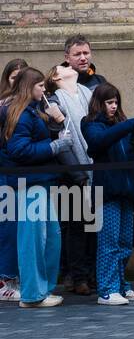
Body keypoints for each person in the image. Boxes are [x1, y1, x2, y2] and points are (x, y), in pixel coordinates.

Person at [81, 83, 134, 306]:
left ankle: (121, 285)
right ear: (100, 103)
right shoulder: (90, 124)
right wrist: (129, 125)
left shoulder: (123, 126)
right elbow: (99, 142)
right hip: (107, 193)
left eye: (116, 102)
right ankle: (107, 290)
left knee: (125, 242)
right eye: (109, 102)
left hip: (128, 191)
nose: (114, 106)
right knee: (109, 242)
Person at [0, 68, 65, 307]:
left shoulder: (30, 112)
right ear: (29, 87)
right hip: (29, 183)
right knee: (33, 240)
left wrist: (56, 124)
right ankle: (32, 294)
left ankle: (41, 290)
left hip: (39, 181)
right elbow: (19, 150)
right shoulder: (21, 115)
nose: (44, 89)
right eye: (40, 86)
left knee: (50, 237)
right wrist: (54, 147)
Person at [47, 63, 95, 295]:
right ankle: (79, 277)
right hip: (72, 171)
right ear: (56, 77)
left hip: (96, 164)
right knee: (77, 227)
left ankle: (93, 274)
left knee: (95, 225)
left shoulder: (88, 92)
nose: (69, 66)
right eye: (63, 66)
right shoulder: (54, 100)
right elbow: (55, 125)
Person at [0, 58, 30, 301]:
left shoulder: (32, 106)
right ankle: (5, 280)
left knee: (22, 227)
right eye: (14, 78)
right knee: (8, 227)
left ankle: (16, 277)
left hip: (25, 174)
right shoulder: (4, 106)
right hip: (6, 173)